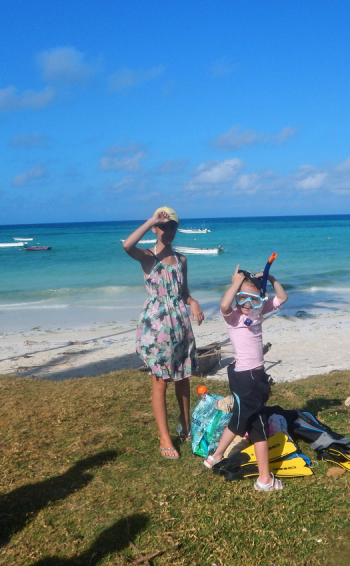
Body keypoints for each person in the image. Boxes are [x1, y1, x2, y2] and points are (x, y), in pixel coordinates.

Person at [123, 207, 204, 459]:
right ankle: (164, 436)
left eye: (172, 227)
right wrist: (151, 220)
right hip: (157, 325)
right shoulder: (148, 257)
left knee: (183, 376)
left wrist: (193, 302)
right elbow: (127, 246)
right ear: (156, 229)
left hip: (180, 322)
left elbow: (183, 291)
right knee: (160, 381)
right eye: (164, 227)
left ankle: (185, 424)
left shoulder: (181, 260)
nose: (168, 231)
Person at [203, 264, 288, 491]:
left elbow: (282, 297)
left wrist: (271, 278)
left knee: (241, 418)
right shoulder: (235, 319)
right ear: (237, 298)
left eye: (254, 299)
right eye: (242, 298)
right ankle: (264, 480)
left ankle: (215, 457)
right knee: (258, 425)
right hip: (247, 377)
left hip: (250, 376)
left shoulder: (259, 312)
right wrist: (235, 284)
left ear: (261, 299)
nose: (248, 304)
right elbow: (224, 305)